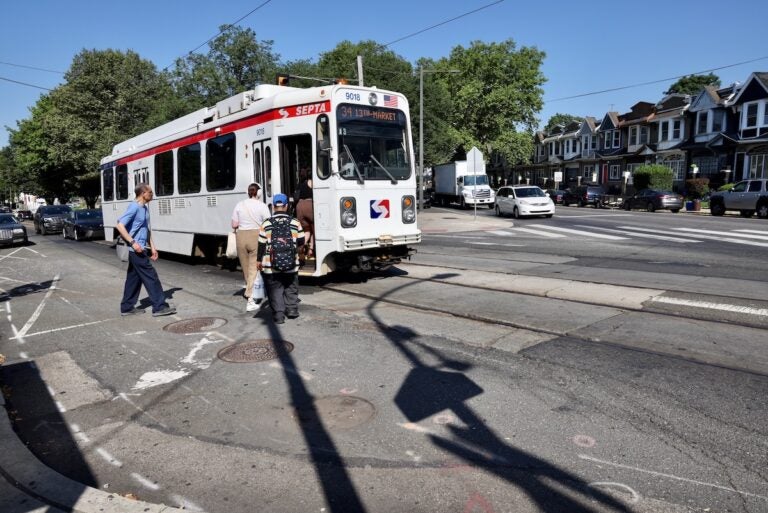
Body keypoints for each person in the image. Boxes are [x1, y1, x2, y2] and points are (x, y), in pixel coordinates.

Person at [116, 184, 176, 317]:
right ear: (143, 193)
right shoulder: (134, 207)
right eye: (150, 192)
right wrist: (133, 242)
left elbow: (145, 229)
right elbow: (120, 225)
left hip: (141, 248)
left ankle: (126, 307)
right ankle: (159, 307)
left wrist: (152, 247)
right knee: (151, 276)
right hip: (136, 250)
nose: (152, 194)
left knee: (133, 279)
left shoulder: (144, 208)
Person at [256, 193, 305, 324]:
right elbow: (301, 242)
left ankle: (278, 315)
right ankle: (292, 310)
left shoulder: (266, 224)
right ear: (286, 206)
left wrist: (259, 260)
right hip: (291, 263)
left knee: (275, 289)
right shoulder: (295, 222)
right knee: (291, 286)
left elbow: (261, 244)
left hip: (270, 265)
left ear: (273, 207)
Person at [231, 182, 271, 312]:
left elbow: (234, 224)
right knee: (255, 267)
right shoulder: (262, 206)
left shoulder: (239, 205)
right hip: (255, 236)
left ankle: (250, 289)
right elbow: (268, 223)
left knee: (246, 267)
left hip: (241, 237)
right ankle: (251, 298)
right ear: (259, 193)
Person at [294, 168, 314, 261]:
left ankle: (301, 247)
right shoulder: (316, 184)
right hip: (310, 205)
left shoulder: (301, 185)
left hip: (300, 206)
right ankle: (311, 250)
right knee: (315, 229)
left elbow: (296, 196)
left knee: (306, 230)